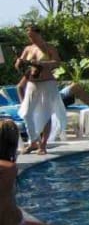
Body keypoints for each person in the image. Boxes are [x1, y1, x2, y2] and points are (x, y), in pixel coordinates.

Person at [14, 25, 68, 155]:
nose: (31, 38)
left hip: (47, 83)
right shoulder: (28, 49)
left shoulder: (49, 47)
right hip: (32, 83)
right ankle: (33, 142)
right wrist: (19, 63)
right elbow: (18, 65)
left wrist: (42, 64)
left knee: (45, 114)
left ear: (38, 34)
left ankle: (43, 145)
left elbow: (57, 62)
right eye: (29, 36)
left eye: (32, 35)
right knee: (26, 113)